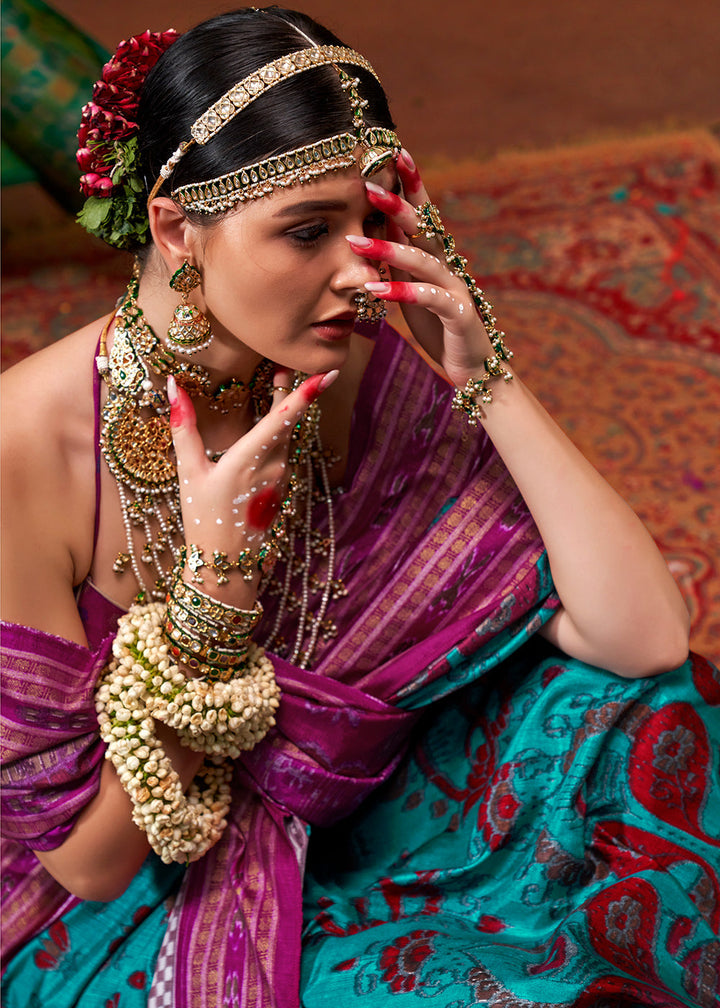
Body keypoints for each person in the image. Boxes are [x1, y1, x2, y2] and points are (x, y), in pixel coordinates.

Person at [1, 7, 717, 1007]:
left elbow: (641, 636)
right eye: (306, 231)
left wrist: (489, 375)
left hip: (362, 769)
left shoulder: (337, 359)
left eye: (371, 224)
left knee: (654, 723)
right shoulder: (25, 452)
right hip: (147, 887)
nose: (359, 275)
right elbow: (89, 861)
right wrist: (212, 599)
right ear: (176, 227)